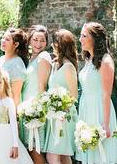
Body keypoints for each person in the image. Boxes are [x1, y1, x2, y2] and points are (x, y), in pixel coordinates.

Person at [76, 22, 117, 163]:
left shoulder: (105, 61)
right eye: (80, 36)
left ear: (95, 39)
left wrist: (106, 124)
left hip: (100, 111)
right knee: (90, 154)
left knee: (102, 156)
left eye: (84, 36)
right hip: (86, 110)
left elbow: (106, 94)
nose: (80, 39)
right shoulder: (89, 60)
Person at [43, 29, 78, 164]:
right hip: (53, 115)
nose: (52, 45)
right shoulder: (55, 65)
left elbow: (74, 96)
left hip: (64, 116)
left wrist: (60, 108)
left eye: (55, 42)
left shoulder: (69, 67)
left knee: (53, 155)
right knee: (63, 156)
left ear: (60, 45)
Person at [21, 25, 52, 164]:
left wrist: (36, 112)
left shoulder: (43, 57)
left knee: (35, 149)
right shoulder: (31, 58)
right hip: (26, 109)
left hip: (35, 111)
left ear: (46, 42)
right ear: (29, 41)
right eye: (35, 40)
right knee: (29, 149)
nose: (38, 44)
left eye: (42, 40)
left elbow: (42, 87)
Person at [0, 28, 28, 107]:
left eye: (7, 39)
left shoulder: (17, 64)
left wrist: (13, 117)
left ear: (16, 44)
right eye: (3, 38)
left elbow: (16, 96)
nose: (3, 41)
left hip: (6, 108)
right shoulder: (1, 59)